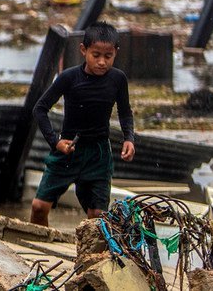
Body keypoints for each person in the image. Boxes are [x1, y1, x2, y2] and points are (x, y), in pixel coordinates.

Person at [30, 21, 136, 227]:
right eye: (96, 55)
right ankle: (37, 245)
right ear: (83, 50)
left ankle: (90, 256)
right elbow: (40, 109)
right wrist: (55, 142)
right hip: (67, 150)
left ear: (116, 53)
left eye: (108, 56)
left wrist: (129, 139)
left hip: (98, 154)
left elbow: (125, 112)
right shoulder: (69, 77)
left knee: (97, 216)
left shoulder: (118, 79)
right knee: (39, 207)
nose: (102, 62)